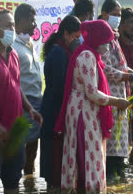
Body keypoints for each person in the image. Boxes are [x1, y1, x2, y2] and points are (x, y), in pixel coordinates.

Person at [54, 20, 130, 193]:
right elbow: (92, 92)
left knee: (88, 152)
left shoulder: (91, 54)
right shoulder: (86, 56)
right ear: (97, 39)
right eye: (105, 41)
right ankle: (88, 188)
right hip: (83, 110)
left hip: (86, 109)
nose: (107, 46)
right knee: (87, 153)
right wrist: (117, 101)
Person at [0, 9, 42, 194]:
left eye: (13, 25)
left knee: (13, 183)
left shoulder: (13, 55)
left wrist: (29, 108)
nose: (13, 29)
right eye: (8, 26)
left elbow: (15, 84)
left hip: (14, 133)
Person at [100, 0, 133, 179]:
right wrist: (132, 76)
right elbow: (106, 70)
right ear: (104, 14)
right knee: (111, 144)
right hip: (111, 98)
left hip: (122, 97)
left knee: (120, 143)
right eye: (115, 15)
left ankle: (119, 178)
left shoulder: (114, 37)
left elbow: (122, 66)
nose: (118, 19)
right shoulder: (103, 38)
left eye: (120, 15)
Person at [40, 16, 81, 188]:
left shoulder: (61, 48)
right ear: (66, 33)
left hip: (54, 107)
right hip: (54, 110)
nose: (78, 40)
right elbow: (60, 86)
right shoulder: (59, 52)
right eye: (76, 36)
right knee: (54, 159)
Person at [13, 3, 42, 176]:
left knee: (33, 146)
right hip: (24, 103)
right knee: (21, 147)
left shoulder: (30, 43)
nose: (35, 24)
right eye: (31, 20)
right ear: (20, 21)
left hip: (36, 100)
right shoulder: (13, 47)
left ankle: (29, 180)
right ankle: (17, 181)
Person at [118, 7, 133, 163]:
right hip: (122, 97)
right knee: (122, 138)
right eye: (130, 22)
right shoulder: (116, 45)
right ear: (120, 26)